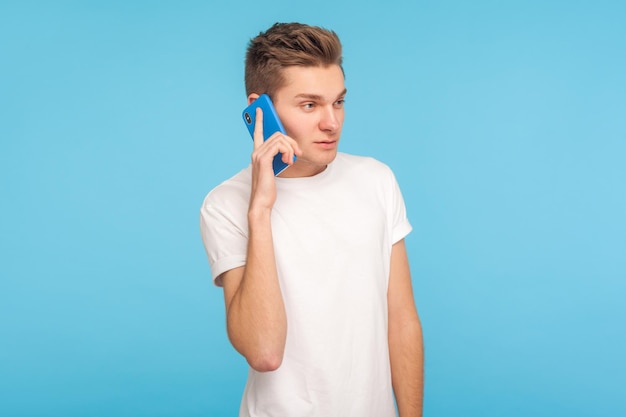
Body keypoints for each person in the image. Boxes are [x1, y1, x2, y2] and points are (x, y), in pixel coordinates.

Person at [200, 22, 423, 417]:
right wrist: (261, 210)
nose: (331, 122)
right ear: (259, 109)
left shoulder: (376, 179)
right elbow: (264, 351)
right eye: (309, 105)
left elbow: (401, 319)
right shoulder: (225, 205)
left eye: (338, 102)